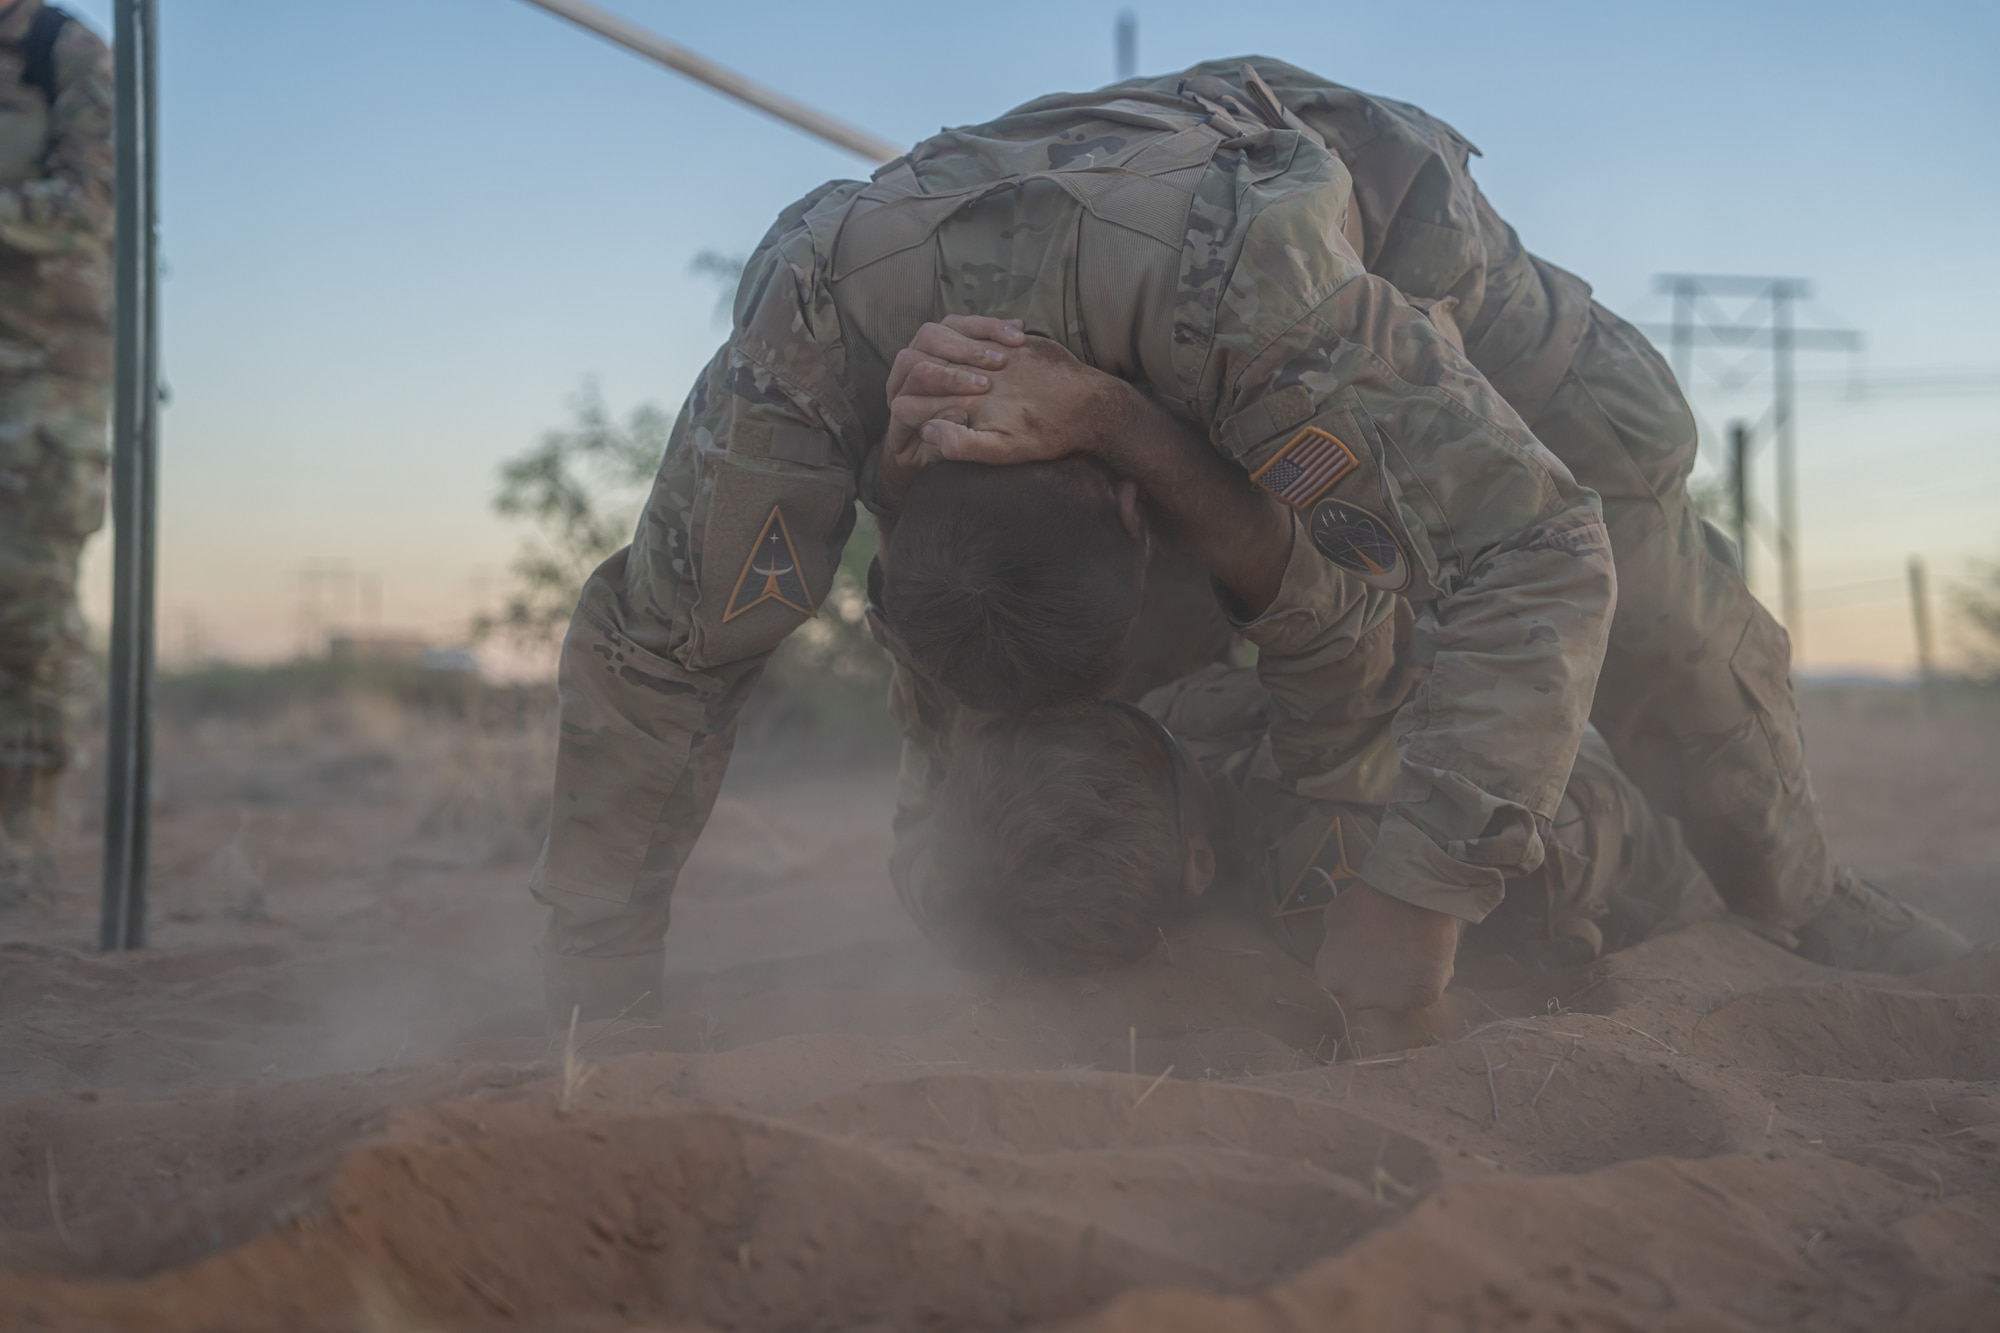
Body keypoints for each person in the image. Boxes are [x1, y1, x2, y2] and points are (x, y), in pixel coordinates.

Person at [533, 58, 1962, 1021]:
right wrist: (600, 989)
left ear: (1129, 502)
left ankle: (1811, 895)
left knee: (1636, 461)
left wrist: (1421, 893)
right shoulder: (810, 340)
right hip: (1107, 343)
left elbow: (1543, 550)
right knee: (1004, 635)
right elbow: (653, 656)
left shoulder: (1277, 302)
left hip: (1352, 218)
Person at [895, 655, 1722, 987]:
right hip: (1592, 821)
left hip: (1585, 783)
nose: (1164, 721)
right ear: (1199, 866)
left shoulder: (1175, 729)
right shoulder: (1325, 876)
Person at [0, 1, 112, 897]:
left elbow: (87, 208)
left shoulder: (63, 52)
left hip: (42, 377)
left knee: (27, 608)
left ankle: (25, 836)